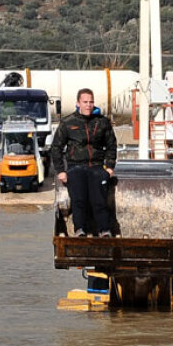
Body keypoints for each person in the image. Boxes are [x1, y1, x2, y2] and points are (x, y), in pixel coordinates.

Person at [51, 88, 118, 237]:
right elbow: (56, 148)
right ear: (78, 103)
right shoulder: (68, 123)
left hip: (97, 166)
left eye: (91, 102)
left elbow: (111, 145)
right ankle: (79, 229)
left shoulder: (102, 122)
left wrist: (110, 166)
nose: (88, 105)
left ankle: (104, 230)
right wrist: (61, 170)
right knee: (78, 200)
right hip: (76, 167)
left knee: (99, 200)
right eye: (85, 102)